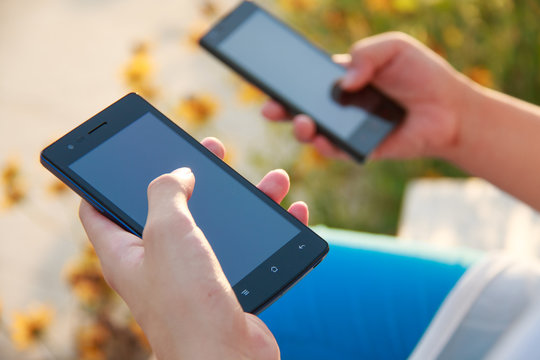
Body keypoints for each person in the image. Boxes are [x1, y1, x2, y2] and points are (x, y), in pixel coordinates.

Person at [80, 32, 540, 359]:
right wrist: (461, 119)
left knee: (220, 298)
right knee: (257, 277)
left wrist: (198, 352)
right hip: (515, 311)